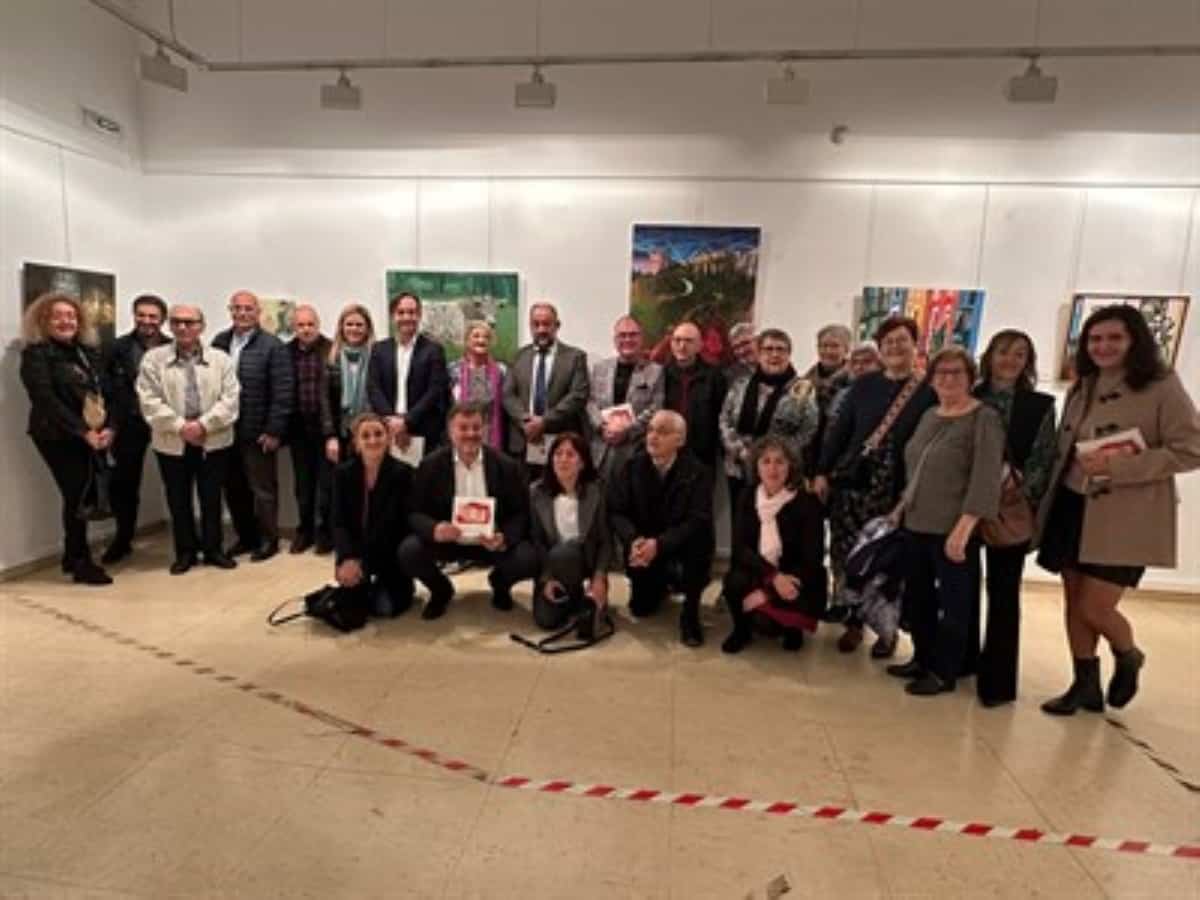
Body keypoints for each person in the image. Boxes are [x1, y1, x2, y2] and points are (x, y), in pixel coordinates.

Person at [1036, 305, 1200, 714]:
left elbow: (1191, 449)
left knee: (1096, 606)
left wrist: (1119, 466)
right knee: (1074, 599)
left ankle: (1128, 654)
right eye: (1095, 339)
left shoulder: (1161, 384)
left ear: (1134, 340)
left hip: (1126, 515)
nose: (1103, 346)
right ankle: (1083, 684)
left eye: (1114, 338)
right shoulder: (1083, 384)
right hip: (1073, 504)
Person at [813, 317, 937, 657]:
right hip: (852, 485)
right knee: (847, 557)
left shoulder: (929, 391)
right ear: (880, 349)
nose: (895, 347)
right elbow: (838, 432)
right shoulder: (864, 385)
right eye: (888, 343)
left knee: (886, 562)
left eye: (902, 341)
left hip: (896, 491)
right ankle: (853, 621)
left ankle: (886, 630)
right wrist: (822, 471)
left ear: (916, 345)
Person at [886, 347, 1005, 696]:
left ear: (971, 378)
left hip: (953, 530)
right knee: (918, 598)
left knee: (954, 604)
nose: (948, 379)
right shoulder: (930, 415)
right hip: (916, 523)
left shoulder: (984, 418)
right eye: (941, 373)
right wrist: (900, 510)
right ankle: (922, 657)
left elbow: (986, 477)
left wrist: (965, 528)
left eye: (957, 372)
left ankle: (945, 670)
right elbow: (916, 468)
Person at [967, 330, 1057, 707]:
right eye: (1004, 352)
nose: (1010, 360)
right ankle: (961, 660)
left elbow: (1043, 458)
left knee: (1004, 595)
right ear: (990, 355)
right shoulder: (972, 397)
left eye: (1020, 354)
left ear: (1028, 361)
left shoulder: (1039, 405)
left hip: (1011, 507)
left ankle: (998, 680)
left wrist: (1019, 495)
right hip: (966, 506)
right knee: (963, 588)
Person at [399, 403, 539, 620]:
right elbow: (414, 512)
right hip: (449, 541)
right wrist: (434, 528)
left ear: (486, 429)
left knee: (528, 558)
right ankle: (441, 590)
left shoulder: (506, 465)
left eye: (476, 427)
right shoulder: (430, 465)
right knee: (409, 551)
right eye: (463, 428)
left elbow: (520, 513)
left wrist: (504, 537)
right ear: (450, 431)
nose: (470, 434)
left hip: (491, 542)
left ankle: (500, 584)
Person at [19, 293, 115, 585]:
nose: (66, 321)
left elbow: (103, 392)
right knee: (76, 495)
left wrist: (109, 427)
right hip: (57, 435)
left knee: (82, 493)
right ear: (43, 320)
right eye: (58, 316)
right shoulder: (36, 354)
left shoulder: (86, 352)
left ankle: (71, 556)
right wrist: (83, 432)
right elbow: (45, 399)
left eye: (71, 316)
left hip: (92, 433)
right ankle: (80, 561)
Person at [137, 305, 240, 574]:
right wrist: (182, 427)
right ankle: (185, 553)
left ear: (201, 326)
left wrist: (204, 425)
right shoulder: (153, 359)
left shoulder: (221, 360)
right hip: (171, 442)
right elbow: (149, 401)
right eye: (177, 322)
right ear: (170, 326)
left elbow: (230, 400)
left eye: (190, 322)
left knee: (211, 498)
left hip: (214, 440)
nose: (183, 328)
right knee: (178, 499)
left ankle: (213, 549)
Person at [608, 410, 715, 647]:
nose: (653, 437)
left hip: (681, 545)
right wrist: (633, 540)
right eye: (651, 430)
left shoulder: (698, 472)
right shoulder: (632, 466)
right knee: (641, 607)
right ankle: (658, 586)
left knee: (700, 540)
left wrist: (660, 544)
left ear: (680, 440)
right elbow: (617, 511)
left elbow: (697, 520)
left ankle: (690, 613)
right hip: (644, 543)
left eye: (663, 432)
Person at [722, 436, 828, 654]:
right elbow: (740, 548)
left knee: (770, 628)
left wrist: (770, 591)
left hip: (795, 576)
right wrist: (772, 577)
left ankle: (791, 628)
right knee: (733, 581)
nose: (773, 468)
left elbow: (812, 559)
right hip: (761, 570)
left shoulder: (807, 502)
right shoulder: (747, 494)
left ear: (791, 466)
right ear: (757, 466)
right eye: (766, 461)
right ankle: (740, 630)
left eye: (780, 461)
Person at [212, 290, 294, 561]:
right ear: (231, 311)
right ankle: (245, 537)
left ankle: (268, 540)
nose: (242, 313)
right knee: (233, 488)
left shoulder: (273, 346)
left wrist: (274, 430)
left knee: (263, 490)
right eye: (237, 308)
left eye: (248, 308)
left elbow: (283, 391)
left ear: (258, 312)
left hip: (258, 431)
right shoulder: (219, 343)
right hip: (224, 430)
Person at [719, 328, 818, 531]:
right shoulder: (740, 385)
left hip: (779, 470)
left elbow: (809, 429)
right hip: (739, 466)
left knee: (776, 528)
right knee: (742, 526)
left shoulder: (802, 389)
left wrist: (778, 455)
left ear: (789, 354)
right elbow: (724, 420)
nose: (774, 354)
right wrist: (741, 451)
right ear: (759, 353)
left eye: (781, 349)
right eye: (768, 349)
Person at [100, 294, 171, 564]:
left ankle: (187, 540)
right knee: (125, 485)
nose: (146, 321)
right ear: (134, 315)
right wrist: (110, 425)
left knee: (176, 481)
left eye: (153, 316)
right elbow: (105, 389)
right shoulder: (116, 348)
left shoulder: (173, 346)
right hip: (128, 424)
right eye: (141, 314)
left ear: (162, 319)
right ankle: (123, 539)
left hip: (167, 423)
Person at [332, 413, 416, 617]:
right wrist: (346, 558)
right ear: (356, 443)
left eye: (378, 434)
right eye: (366, 436)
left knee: (383, 609)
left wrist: (363, 562)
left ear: (388, 438)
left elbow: (402, 527)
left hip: (390, 555)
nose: (373, 440)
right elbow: (338, 521)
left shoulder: (403, 473)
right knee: (349, 610)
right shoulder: (343, 474)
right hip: (355, 552)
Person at [529, 432, 613, 631]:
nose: (563, 459)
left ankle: (583, 596)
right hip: (552, 567)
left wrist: (599, 578)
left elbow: (605, 541)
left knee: (565, 552)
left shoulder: (598, 491)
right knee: (546, 621)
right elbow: (537, 541)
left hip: (587, 565)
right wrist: (546, 579)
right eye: (557, 454)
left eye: (570, 454)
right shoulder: (536, 492)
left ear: (582, 462)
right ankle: (573, 599)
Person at [502, 302, 589, 471]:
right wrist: (526, 420)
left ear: (557, 326)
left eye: (547, 324)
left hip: (561, 443)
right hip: (523, 441)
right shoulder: (518, 356)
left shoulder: (575, 357)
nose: (541, 329)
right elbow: (508, 395)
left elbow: (578, 395)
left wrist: (544, 421)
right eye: (536, 324)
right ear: (530, 326)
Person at [367, 291, 450, 458]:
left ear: (419, 316)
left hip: (423, 429)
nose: (407, 317)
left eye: (412, 312)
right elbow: (373, 386)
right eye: (401, 312)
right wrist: (391, 421)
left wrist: (407, 421)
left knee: (421, 482)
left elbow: (435, 390)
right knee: (391, 482)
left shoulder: (434, 350)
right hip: (386, 429)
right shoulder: (379, 349)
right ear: (393, 316)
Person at [586, 314, 664, 479]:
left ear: (642, 338)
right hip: (600, 451)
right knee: (598, 502)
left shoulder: (656, 371)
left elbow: (656, 407)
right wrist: (602, 427)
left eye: (633, 334)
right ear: (615, 340)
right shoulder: (600, 368)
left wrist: (627, 431)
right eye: (622, 335)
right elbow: (590, 402)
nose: (627, 339)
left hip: (636, 451)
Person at [286, 305, 336, 555]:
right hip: (297, 429)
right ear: (294, 327)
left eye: (310, 324)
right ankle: (304, 531)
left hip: (326, 428)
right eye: (300, 325)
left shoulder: (331, 349)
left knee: (326, 485)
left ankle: (323, 532)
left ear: (318, 325)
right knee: (303, 485)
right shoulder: (285, 353)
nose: (306, 329)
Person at [662, 321, 726, 469]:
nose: (682, 346)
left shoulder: (715, 376)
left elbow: (721, 415)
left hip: (702, 455)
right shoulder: (662, 374)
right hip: (667, 450)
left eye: (689, 341)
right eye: (677, 340)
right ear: (671, 344)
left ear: (699, 345)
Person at [325, 303, 376, 461]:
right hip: (341, 431)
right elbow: (324, 400)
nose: (354, 329)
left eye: (359, 325)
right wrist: (330, 436)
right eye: (349, 324)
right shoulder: (330, 358)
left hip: (372, 432)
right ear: (342, 327)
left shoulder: (378, 356)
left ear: (368, 328)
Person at [802, 324, 853, 477]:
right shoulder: (805, 382)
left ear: (846, 349)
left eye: (835, 346)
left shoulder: (855, 383)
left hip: (839, 460)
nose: (828, 351)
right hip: (808, 458)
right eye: (823, 346)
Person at [449, 320, 508, 452]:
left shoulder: (501, 370)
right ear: (466, 341)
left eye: (486, 337)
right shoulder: (453, 370)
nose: (481, 340)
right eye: (476, 336)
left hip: (491, 434)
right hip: (461, 433)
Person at [827, 340, 882, 425]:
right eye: (855, 362)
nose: (859, 367)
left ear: (880, 365)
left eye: (866, 362)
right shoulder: (843, 394)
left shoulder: (887, 392)